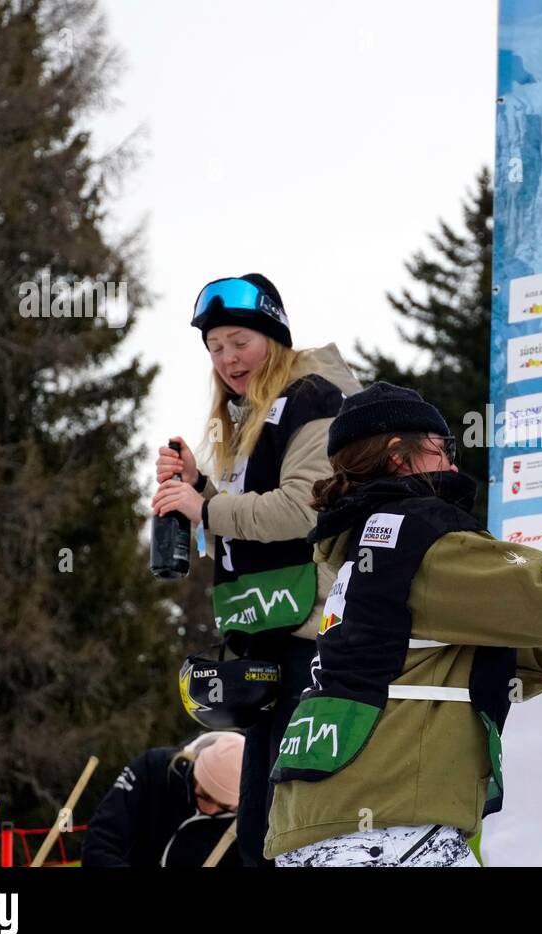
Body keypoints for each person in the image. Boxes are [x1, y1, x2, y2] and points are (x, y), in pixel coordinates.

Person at [262, 382, 542, 866]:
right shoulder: (416, 534)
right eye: (441, 448)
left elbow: (483, 674)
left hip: (328, 830)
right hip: (389, 832)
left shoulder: (366, 550)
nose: (452, 462)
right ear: (397, 454)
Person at [151, 272, 360, 866]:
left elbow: (303, 507)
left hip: (312, 635)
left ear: (274, 334)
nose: (227, 358)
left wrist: (207, 505)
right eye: (215, 348)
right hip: (263, 637)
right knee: (258, 833)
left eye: (239, 340)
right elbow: (242, 542)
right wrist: (199, 486)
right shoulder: (243, 420)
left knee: (297, 827)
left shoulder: (316, 398)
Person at [82, 732, 245, 867]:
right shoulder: (154, 769)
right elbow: (100, 843)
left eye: (225, 806)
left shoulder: (249, 823)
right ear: (195, 770)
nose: (211, 810)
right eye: (205, 796)